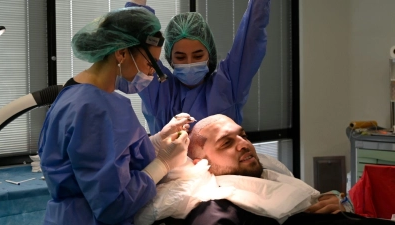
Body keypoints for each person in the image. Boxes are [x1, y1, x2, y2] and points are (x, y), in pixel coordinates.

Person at [38, 7, 194, 225]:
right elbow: (112, 205)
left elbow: (106, 157)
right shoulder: (95, 108)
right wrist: (164, 164)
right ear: (121, 53)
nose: (152, 74)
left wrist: (157, 142)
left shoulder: (74, 95)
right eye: (150, 65)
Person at [135, 114, 395, 225]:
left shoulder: (264, 179)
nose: (244, 144)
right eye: (227, 142)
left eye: (243, 135)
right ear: (201, 163)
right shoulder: (217, 206)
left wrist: (339, 208)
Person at [118, 0, 270, 135]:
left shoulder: (227, 85)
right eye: (180, 57)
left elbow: (251, 36)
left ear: (209, 54)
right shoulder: (160, 87)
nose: (189, 63)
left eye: (198, 56)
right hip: (167, 166)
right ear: (171, 59)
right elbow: (137, 40)